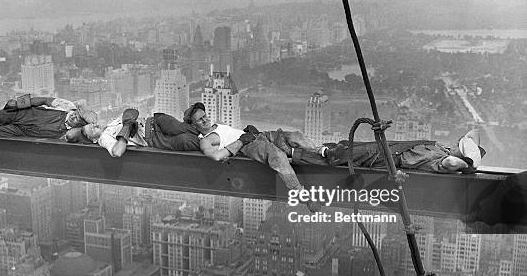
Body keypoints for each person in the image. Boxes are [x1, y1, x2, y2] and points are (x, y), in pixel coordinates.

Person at [182, 102, 341, 190]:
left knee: (295, 136)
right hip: (247, 146)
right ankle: (299, 191)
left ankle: (323, 151)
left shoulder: (216, 126)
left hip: (256, 136)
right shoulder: (205, 140)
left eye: (204, 116)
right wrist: (242, 141)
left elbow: (230, 134)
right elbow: (216, 156)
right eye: (200, 120)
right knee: (277, 156)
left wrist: (246, 133)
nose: (205, 120)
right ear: (194, 126)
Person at [0, 94, 97, 151]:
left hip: (22, 132)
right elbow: (41, 100)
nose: (75, 117)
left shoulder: (71, 133)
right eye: (77, 113)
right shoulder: (65, 105)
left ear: (81, 124)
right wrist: (18, 103)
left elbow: (77, 138)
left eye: (79, 119)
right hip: (21, 114)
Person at [295, 128, 486, 174]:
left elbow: (452, 164)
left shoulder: (443, 160)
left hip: (387, 158)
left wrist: (467, 164)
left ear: (458, 152)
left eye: (458, 145)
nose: (455, 143)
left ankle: (298, 154)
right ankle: (302, 150)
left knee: (341, 156)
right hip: (386, 149)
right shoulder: (440, 147)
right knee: (345, 146)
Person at [76, 108, 201, 156]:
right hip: (153, 138)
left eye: (92, 125)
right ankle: (210, 141)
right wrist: (126, 127)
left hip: (154, 121)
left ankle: (205, 132)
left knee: (178, 128)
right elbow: (117, 152)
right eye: (92, 130)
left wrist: (130, 119)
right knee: (185, 140)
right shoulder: (104, 138)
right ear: (93, 139)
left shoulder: (110, 123)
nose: (94, 126)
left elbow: (132, 112)